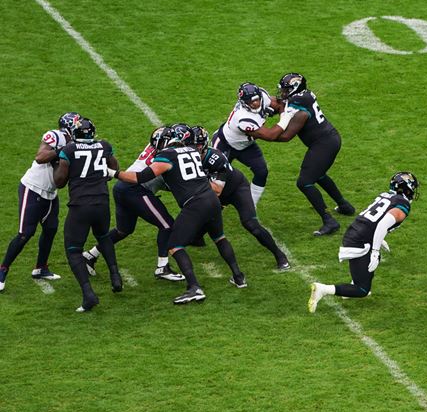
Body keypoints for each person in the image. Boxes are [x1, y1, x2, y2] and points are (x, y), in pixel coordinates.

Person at [111, 124, 246, 304]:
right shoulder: (192, 151)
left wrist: (112, 172)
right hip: (212, 199)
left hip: (195, 204)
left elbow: (139, 178)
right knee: (219, 237)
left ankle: (194, 288)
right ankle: (239, 277)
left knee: (174, 245)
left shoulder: (167, 155)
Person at [247, 73, 355, 236]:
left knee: (304, 182)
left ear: (295, 89)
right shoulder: (304, 96)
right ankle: (344, 206)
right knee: (318, 175)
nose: (282, 93)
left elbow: (285, 137)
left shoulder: (299, 108)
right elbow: (283, 104)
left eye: (286, 90)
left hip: (324, 144)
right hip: (328, 139)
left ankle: (329, 220)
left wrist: (260, 135)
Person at [82, 126, 184, 282]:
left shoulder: (154, 147)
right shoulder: (167, 156)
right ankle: (162, 267)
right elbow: (169, 181)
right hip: (135, 189)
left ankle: (90, 256)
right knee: (167, 225)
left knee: (123, 230)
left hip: (122, 188)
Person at [308, 172, 418, 313]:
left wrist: (378, 240)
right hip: (359, 240)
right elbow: (382, 224)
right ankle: (323, 289)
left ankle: (352, 287)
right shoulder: (403, 205)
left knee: (372, 262)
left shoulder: (385, 195)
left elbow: (372, 219)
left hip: (357, 230)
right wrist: (375, 250)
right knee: (362, 290)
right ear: (407, 188)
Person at [0, 113, 81, 292]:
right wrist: (62, 150)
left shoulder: (75, 144)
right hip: (33, 188)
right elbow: (40, 157)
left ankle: (41, 268)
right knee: (25, 233)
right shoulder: (56, 136)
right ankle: (2, 270)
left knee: (50, 229)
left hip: (50, 192)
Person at [191, 126, 290, 271]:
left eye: (196, 145)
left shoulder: (215, 158)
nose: (192, 148)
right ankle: (197, 238)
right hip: (217, 189)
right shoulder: (188, 158)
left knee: (250, 224)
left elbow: (216, 191)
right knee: (201, 216)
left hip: (235, 189)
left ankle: (280, 256)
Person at [53, 118, 122, 312]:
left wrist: (60, 163)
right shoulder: (104, 146)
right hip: (101, 202)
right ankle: (115, 277)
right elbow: (114, 169)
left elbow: (59, 181)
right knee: (103, 235)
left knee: (73, 249)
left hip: (80, 205)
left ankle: (88, 295)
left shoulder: (69, 150)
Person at [211, 82, 280, 206]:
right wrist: (287, 118)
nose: (255, 103)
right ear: (243, 103)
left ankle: (251, 205)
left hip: (245, 145)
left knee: (261, 171)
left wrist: (290, 107)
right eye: (250, 101)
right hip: (224, 144)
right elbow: (270, 135)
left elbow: (278, 105)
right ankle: (212, 207)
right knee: (217, 182)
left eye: (257, 99)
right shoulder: (243, 117)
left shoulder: (262, 96)